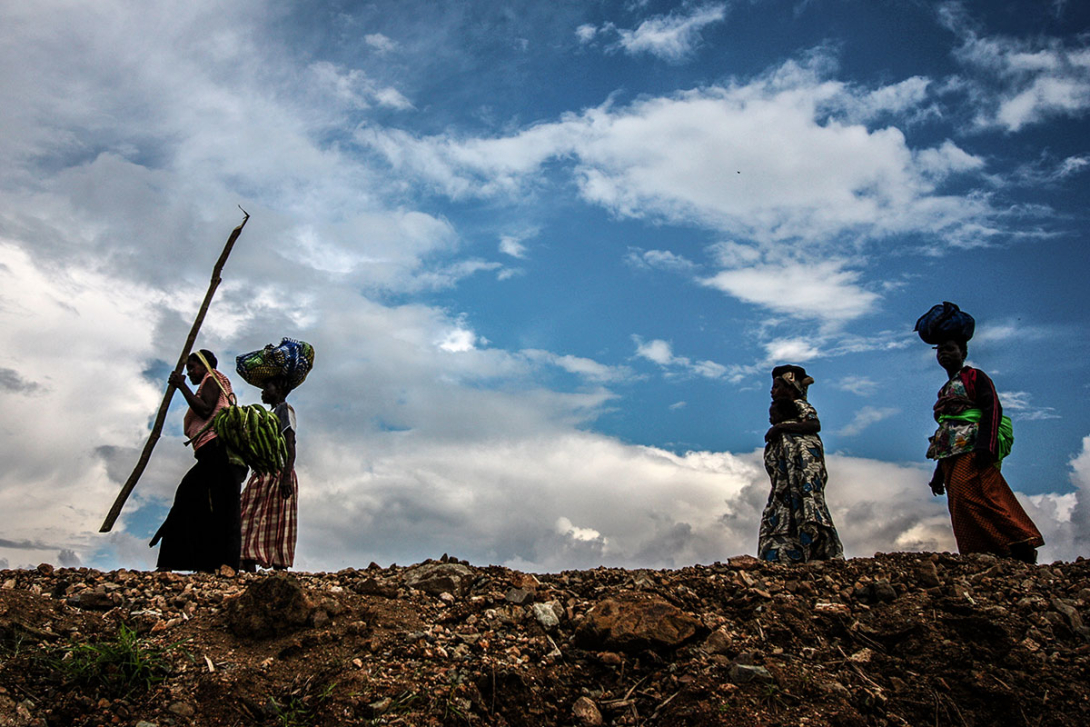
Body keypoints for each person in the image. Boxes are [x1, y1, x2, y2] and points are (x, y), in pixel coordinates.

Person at [926, 337, 1044, 563]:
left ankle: (1018, 546)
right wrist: (938, 474)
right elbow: (947, 430)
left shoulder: (976, 377)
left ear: (963, 352)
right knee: (960, 503)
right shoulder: (945, 390)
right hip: (952, 453)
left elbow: (992, 409)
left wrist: (985, 446)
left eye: (949, 348)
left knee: (982, 497)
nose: (943, 354)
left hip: (974, 448)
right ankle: (983, 554)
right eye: (940, 350)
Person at [151, 350, 247, 572]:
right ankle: (203, 563)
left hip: (218, 450)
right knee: (198, 502)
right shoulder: (210, 382)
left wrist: (181, 386)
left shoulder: (213, 379)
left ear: (204, 366)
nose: (190, 373)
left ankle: (225, 565)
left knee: (219, 506)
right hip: (209, 454)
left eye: (192, 368)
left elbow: (205, 410)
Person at [758, 365, 844, 563]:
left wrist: (781, 428)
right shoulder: (783, 422)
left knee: (808, 505)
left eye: (777, 386)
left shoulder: (800, 406)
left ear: (791, 387)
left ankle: (817, 551)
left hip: (802, 475)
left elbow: (814, 424)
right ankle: (785, 556)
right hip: (786, 484)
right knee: (784, 509)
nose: (772, 391)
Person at [239, 376, 298, 571]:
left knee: (277, 521)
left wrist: (286, 476)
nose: (263, 392)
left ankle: (277, 570)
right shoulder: (269, 414)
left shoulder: (285, 410)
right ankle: (247, 566)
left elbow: (290, 443)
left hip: (279, 472)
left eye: (267, 387)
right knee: (249, 517)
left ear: (279, 387)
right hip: (264, 472)